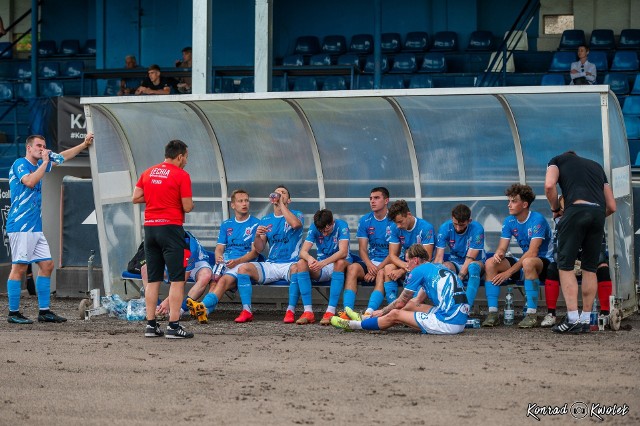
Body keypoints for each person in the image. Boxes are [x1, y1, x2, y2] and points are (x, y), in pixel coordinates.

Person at [6, 133, 94, 324]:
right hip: (20, 225)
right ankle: (13, 313)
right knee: (19, 267)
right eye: (38, 145)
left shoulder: (41, 163)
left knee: (47, 265)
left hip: (35, 227)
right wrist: (45, 162)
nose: (42, 148)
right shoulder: (20, 163)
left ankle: (44, 311)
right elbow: (30, 182)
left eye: (44, 145)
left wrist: (83, 145)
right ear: (29, 148)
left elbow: (64, 156)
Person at [544, 151, 616, 333]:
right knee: (590, 267)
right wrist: (593, 216)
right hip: (598, 214)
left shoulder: (557, 160)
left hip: (574, 209)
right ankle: (585, 319)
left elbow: (549, 185)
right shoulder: (597, 166)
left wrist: (555, 209)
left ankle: (572, 319)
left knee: (565, 265)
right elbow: (612, 206)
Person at [330, 244, 470, 335]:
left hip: (449, 322)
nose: (406, 265)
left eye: (407, 260)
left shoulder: (418, 271)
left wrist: (383, 311)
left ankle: (354, 324)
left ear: (415, 260)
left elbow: (400, 302)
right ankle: (366, 318)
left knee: (395, 314)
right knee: (409, 306)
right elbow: (415, 301)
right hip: (459, 317)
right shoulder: (436, 268)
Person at [132, 139, 194, 339]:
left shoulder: (148, 172)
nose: (186, 161)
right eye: (186, 157)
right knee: (177, 280)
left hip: (150, 229)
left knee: (153, 279)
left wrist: (155, 197)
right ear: (180, 156)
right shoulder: (182, 175)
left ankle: (151, 325)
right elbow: (187, 206)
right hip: (170, 228)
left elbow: (136, 197)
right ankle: (173, 327)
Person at [482, 184, 553, 328]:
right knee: (490, 263)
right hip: (525, 261)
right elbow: (502, 247)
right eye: (509, 201)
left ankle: (532, 315)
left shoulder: (537, 219)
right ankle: (493, 314)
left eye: (514, 201)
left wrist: (508, 272)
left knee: (528, 262)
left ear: (525, 204)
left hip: (546, 262)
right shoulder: (509, 221)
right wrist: (499, 253)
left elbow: (533, 252)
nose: (509, 205)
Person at [187, 189, 260, 323]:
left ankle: (202, 306)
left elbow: (255, 252)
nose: (244, 204)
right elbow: (219, 247)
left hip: (244, 264)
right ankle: (205, 311)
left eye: (246, 201)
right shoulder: (227, 224)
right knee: (214, 281)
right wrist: (218, 257)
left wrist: (237, 261)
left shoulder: (256, 223)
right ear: (233, 205)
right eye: (240, 201)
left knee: (222, 281)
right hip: (227, 261)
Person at [234, 186, 304, 323]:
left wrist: (281, 204)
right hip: (271, 263)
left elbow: (295, 225)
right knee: (243, 269)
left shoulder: (297, 214)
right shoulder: (266, 219)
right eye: (277, 192)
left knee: (298, 268)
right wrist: (257, 236)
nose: (279, 194)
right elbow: (259, 249)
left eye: (283, 193)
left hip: (290, 263)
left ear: (289, 200)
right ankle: (246, 310)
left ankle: (290, 310)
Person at [361, 200, 434, 317]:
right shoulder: (395, 227)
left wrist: (402, 270)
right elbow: (392, 255)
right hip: (408, 264)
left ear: (408, 214)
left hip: (423, 267)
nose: (399, 226)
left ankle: (411, 311)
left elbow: (426, 258)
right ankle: (393, 310)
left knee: (415, 271)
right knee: (388, 268)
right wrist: (405, 266)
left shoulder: (425, 227)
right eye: (396, 223)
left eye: (400, 222)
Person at [290, 208, 351, 325]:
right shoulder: (315, 227)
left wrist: (323, 263)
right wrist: (310, 259)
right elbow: (302, 252)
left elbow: (343, 252)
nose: (324, 234)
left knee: (340, 262)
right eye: (321, 231)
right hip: (322, 265)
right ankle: (308, 312)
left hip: (341, 264)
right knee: (301, 263)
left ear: (332, 222)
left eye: (327, 230)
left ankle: (330, 311)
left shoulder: (341, 225)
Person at [340, 187, 392, 317]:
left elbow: (394, 253)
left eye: (376, 198)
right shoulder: (365, 220)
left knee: (380, 274)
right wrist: (369, 266)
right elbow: (362, 249)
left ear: (386, 200)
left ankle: (369, 312)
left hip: (390, 262)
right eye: (370, 198)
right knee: (352, 268)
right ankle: (347, 311)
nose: (372, 201)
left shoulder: (393, 220)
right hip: (372, 262)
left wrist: (376, 269)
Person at [139, 231, 213, 320]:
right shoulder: (158, 241)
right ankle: (156, 308)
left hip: (196, 264)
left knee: (206, 275)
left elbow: (182, 280)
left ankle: (180, 310)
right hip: (174, 261)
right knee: (145, 269)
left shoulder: (190, 247)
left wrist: (168, 301)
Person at [433, 204, 485, 308]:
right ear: (452, 218)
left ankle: (466, 308)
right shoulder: (445, 228)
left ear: (469, 221)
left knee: (473, 267)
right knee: (444, 267)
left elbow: (470, 258)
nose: (458, 228)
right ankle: (445, 307)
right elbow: (439, 257)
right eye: (455, 224)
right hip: (456, 261)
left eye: (461, 225)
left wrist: (460, 277)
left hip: (475, 262)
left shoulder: (477, 229)